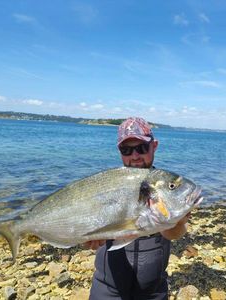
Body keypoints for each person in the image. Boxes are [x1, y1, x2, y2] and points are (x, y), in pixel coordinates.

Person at [87, 117, 190, 300]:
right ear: (119, 151)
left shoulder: (164, 185)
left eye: (141, 148)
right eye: (126, 150)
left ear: (154, 146)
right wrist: (84, 236)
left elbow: (173, 234)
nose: (134, 156)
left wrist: (178, 222)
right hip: (107, 288)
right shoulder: (106, 186)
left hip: (153, 291)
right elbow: (86, 224)